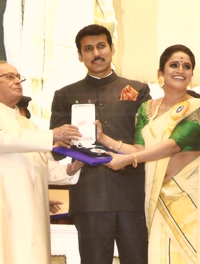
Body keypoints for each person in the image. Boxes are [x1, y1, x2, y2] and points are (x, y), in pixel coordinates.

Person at [96, 44, 200, 263]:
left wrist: (128, 160)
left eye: (186, 66)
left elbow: (173, 145)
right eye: (174, 65)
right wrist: (105, 139)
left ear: (191, 75)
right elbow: (140, 150)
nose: (180, 70)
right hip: (157, 198)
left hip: (189, 201)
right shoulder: (146, 109)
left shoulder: (198, 108)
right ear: (160, 73)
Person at [49, 24, 151, 264]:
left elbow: (149, 142)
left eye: (101, 46)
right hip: (89, 197)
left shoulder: (138, 90)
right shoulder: (64, 94)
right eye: (88, 49)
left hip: (133, 197)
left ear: (112, 48)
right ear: (80, 55)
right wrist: (61, 141)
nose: (96, 53)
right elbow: (55, 152)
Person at [0, 60, 84, 264]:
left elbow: (44, 168)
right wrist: (53, 135)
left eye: (18, 77)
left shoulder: (30, 126)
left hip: (34, 217)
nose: (17, 82)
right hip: (3, 213)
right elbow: (1, 140)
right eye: (9, 77)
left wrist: (69, 169)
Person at [0, 95, 68, 214]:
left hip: (26, 209)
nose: (22, 125)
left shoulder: (34, 138)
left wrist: (43, 199)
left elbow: (35, 173)